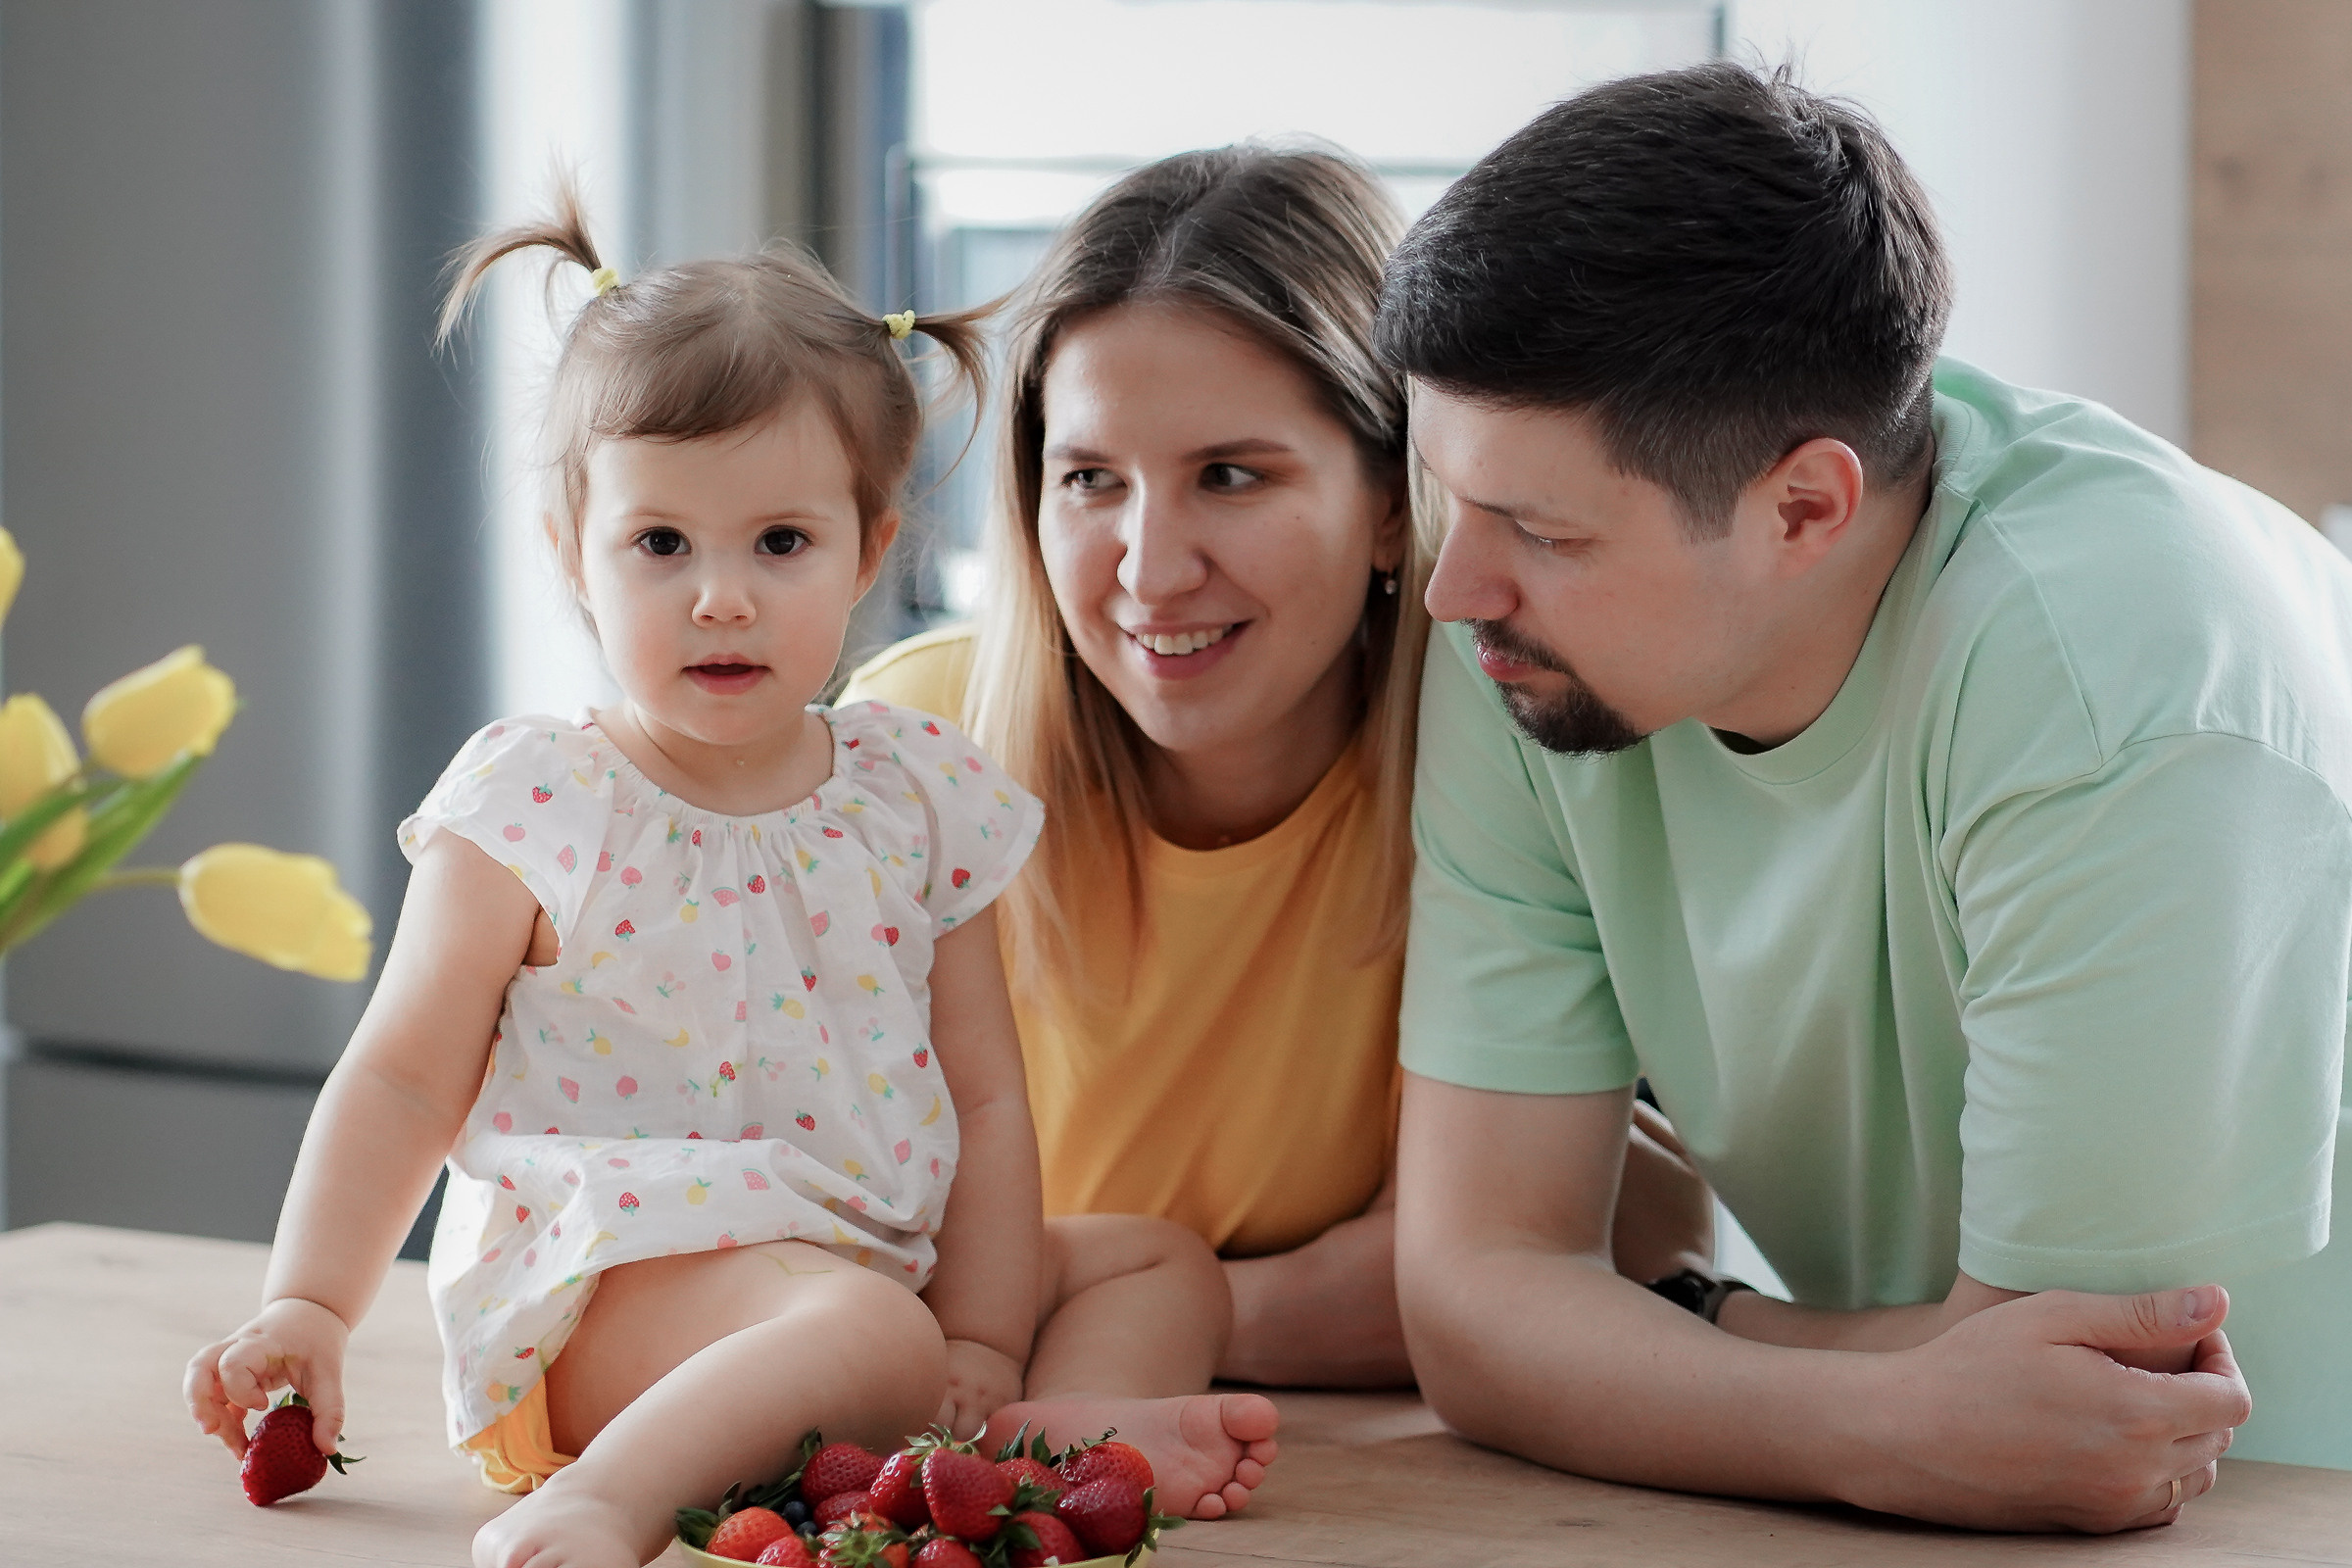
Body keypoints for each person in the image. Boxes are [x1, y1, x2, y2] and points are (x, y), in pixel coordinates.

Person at [178, 189, 1229, 1568]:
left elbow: (982, 1090)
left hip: (858, 1264)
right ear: (575, 555)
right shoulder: (539, 800)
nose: (720, 597)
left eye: (779, 544)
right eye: (661, 544)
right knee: (863, 1331)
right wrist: (310, 1305)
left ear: (868, 550)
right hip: (612, 1291)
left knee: (1159, 1258)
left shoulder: (913, 794)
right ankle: (605, 1501)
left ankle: (997, 1437)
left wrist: (982, 1330)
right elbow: (402, 1077)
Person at [1378, 59, 2352, 1533]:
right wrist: (1867, 1412)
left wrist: (1691, 1329)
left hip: (2285, 1503)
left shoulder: (2124, 681)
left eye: (1537, 525)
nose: (1453, 587)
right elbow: (1469, 1304)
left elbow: (2081, 1410)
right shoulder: (1524, 643)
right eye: (1449, 491)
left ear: (1806, 509)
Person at [846, 143, 1716, 1485]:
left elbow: (1592, 1253)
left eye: (1232, 476)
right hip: (973, 1463)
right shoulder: (907, 757)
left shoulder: (1509, 775)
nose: (1150, 568)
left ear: (1390, 501)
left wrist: (1135, 1308)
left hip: (1332, 1479)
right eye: (1090, 479)